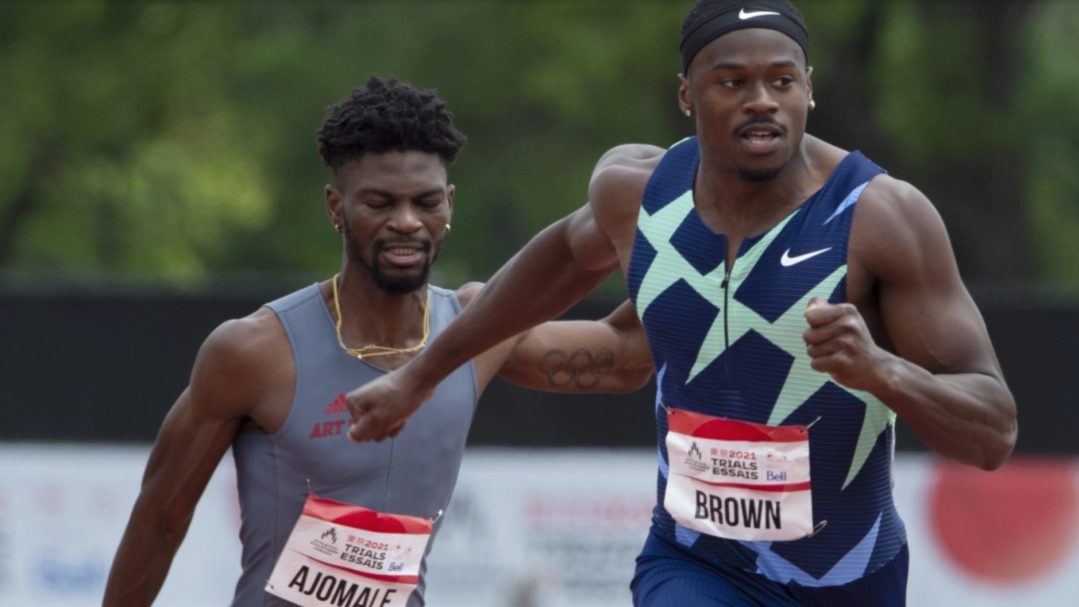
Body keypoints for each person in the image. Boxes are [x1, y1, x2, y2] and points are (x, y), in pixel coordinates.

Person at [342, 2, 1019, 605]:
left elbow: (992, 432)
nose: (761, 100)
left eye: (781, 80)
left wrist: (880, 370)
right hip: (692, 563)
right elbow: (554, 268)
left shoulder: (880, 218)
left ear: (808, 91)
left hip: (847, 576)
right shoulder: (636, 193)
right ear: (686, 96)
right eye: (732, 82)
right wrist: (420, 375)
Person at [102, 75, 653, 607]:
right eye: (380, 203)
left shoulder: (479, 329)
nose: (408, 222)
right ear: (336, 208)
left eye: (427, 202)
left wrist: (705, 219)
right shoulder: (253, 351)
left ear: (451, 205)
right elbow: (159, 522)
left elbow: (627, 359)